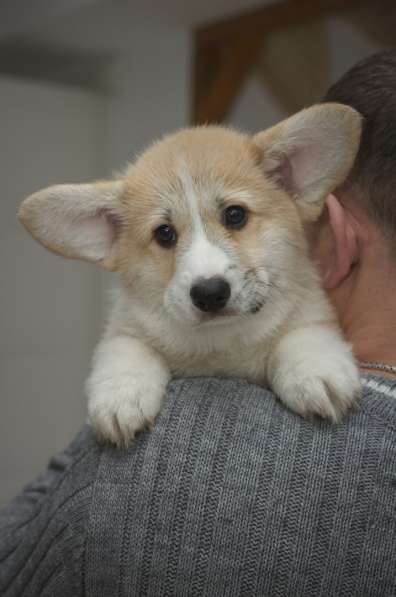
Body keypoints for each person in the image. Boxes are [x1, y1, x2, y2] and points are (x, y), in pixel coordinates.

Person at [1, 50, 396, 597]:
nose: (205, 274)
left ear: (298, 186)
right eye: (165, 236)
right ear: (113, 234)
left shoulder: (126, 492)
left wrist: (297, 353)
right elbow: (129, 342)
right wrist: (127, 369)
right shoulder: (146, 317)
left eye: (234, 216)